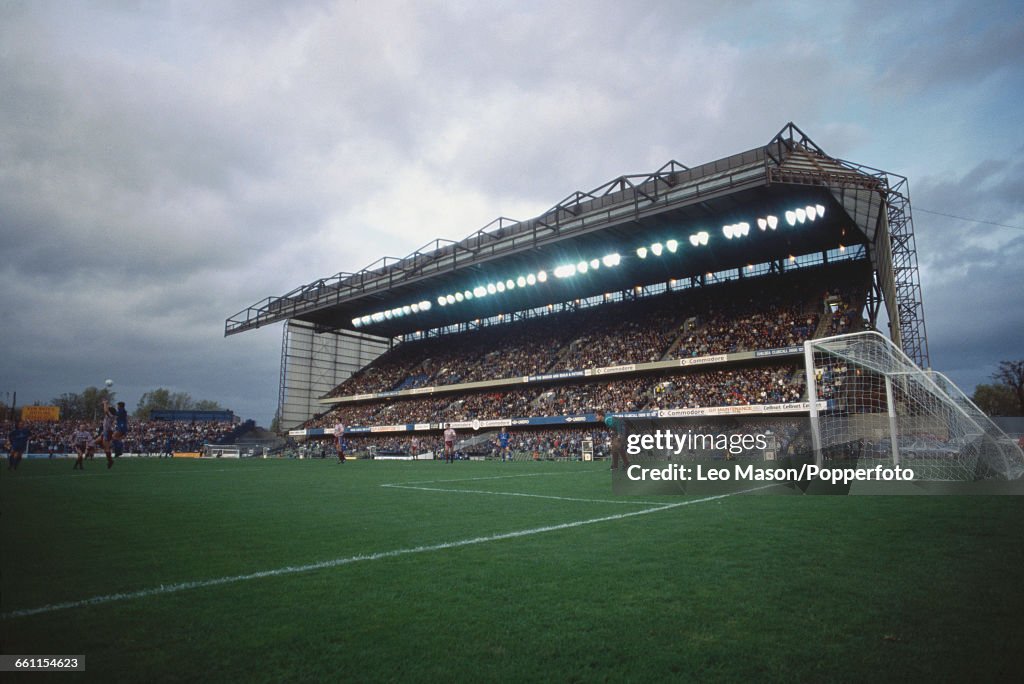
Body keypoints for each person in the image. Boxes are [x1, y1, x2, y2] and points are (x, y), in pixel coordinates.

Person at [98, 400, 116, 469]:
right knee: (94, 442)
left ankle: (110, 461)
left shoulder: (110, 416)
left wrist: (105, 403)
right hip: (105, 432)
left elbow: (106, 410)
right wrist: (106, 404)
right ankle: (110, 460)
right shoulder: (111, 415)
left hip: (107, 432)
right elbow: (106, 410)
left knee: (107, 449)